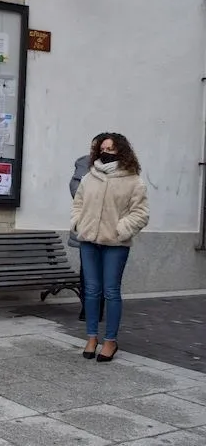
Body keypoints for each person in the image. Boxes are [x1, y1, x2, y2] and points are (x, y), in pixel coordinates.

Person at [71, 132, 149, 362]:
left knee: (111, 291)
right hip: (88, 241)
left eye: (111, 149)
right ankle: (92, 337)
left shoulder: (133, 180)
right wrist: (78, 224)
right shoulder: (89, 177)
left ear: (121, 151)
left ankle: (111, 340)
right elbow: (78, 204)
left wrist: (121, 229)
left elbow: (141, 213)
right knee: (92, 291)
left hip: (116, 243)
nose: (105, 152)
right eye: (102, 149)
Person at [70, 133, 108, 322]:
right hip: (87, 227)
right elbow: (75, 191)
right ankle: (88, 308)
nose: (100, 152)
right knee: (87, 272)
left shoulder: (121, 167)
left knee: (106, 273)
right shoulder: (84, 164)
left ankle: (99, 308)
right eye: (97, 148)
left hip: (110, 229)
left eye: (105, 148)